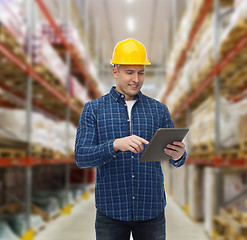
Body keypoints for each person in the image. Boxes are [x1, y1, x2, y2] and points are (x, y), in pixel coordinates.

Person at [75, 38, 187, 240]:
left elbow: (175, 159)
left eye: (141, 72)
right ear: (115, 71)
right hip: (111, 211)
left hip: (151, 209)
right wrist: (115, 145)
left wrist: (179, 155)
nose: (136, 79)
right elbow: (82, 157)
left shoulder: (159, 110)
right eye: (130, 72)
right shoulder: (94, 110)